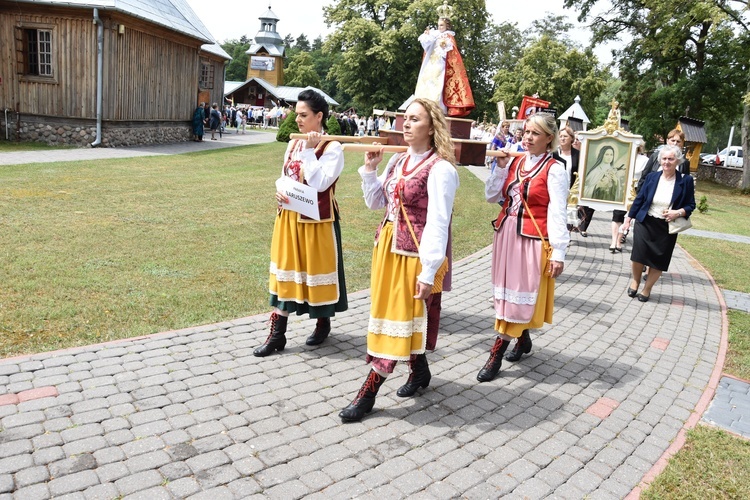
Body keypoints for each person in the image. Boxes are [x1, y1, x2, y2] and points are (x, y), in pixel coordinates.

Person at [339, 98, 459, 422]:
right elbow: (376, 202)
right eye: (405, 118)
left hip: (414, 255)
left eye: (415, 120)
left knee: (398, 319)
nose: (406, 124)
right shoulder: (398, 162)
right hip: (387, 247)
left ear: (432, 127)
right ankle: (420, 372)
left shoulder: (441, 169)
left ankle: (368, 392)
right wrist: (370, 169)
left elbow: (438, 221)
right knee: (395, 318)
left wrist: (428, 271)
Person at [256, 89, 348, 357]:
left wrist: (309, 151)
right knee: (285, 272)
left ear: (319, 117)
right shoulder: (293, 142)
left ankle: (323, 322)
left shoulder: (333, 147)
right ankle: (277, 335)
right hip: (288, 217)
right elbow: (285, 174)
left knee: (315, 274)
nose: (297, 119)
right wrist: (280, 190)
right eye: (296, 114)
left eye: (303, 115)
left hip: (316, 222)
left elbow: (320, 183)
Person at [480, 113, 569, 379]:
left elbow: (557, 212)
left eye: (535, 134)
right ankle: (523, 338)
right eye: (526, 132)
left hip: (531, 241)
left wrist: (559, 252)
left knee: (518, 297)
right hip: (506, 234)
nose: (528, 137)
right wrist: (500, 168)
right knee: (508, 295)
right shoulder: (515, 161)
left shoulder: (556, 169)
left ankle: (495, 355)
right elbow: (491, 196)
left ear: (549, 139)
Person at [621, 144, 695, 302]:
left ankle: (647, 289)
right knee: (637, 256)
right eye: (664, 158)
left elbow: (691, 205)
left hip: (666, 226)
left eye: (671, 159)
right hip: (646, 221)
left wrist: (679, 212)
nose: (667, 162)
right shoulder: (652, 177)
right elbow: (639, 199)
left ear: (677, 161)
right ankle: (635, 281)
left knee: (658, 261)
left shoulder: (685, 181)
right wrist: (628, 219)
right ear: (660, 160)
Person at [413, 12, 475, 117]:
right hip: (430, 64)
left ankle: (437, 107)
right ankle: (423, 105)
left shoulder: (449, 36)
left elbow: (450, 53)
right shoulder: (434, 34)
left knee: (438, 85)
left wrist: (444, 46)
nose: (439, 27)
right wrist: (426, 36)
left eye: (441, 25)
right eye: (438, 25)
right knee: (426, 83)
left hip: (441, 65)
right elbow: (426, 45)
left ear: (447, 26)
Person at [636, 129, 691, 193]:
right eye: (673, 140)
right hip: (652, 193)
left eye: (678, 141)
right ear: (667, 141)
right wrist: (639, 195)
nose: (675, 143)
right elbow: (644, 177)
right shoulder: (655, 156)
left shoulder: (684, 162)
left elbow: (685, 184)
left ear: (682, 143)